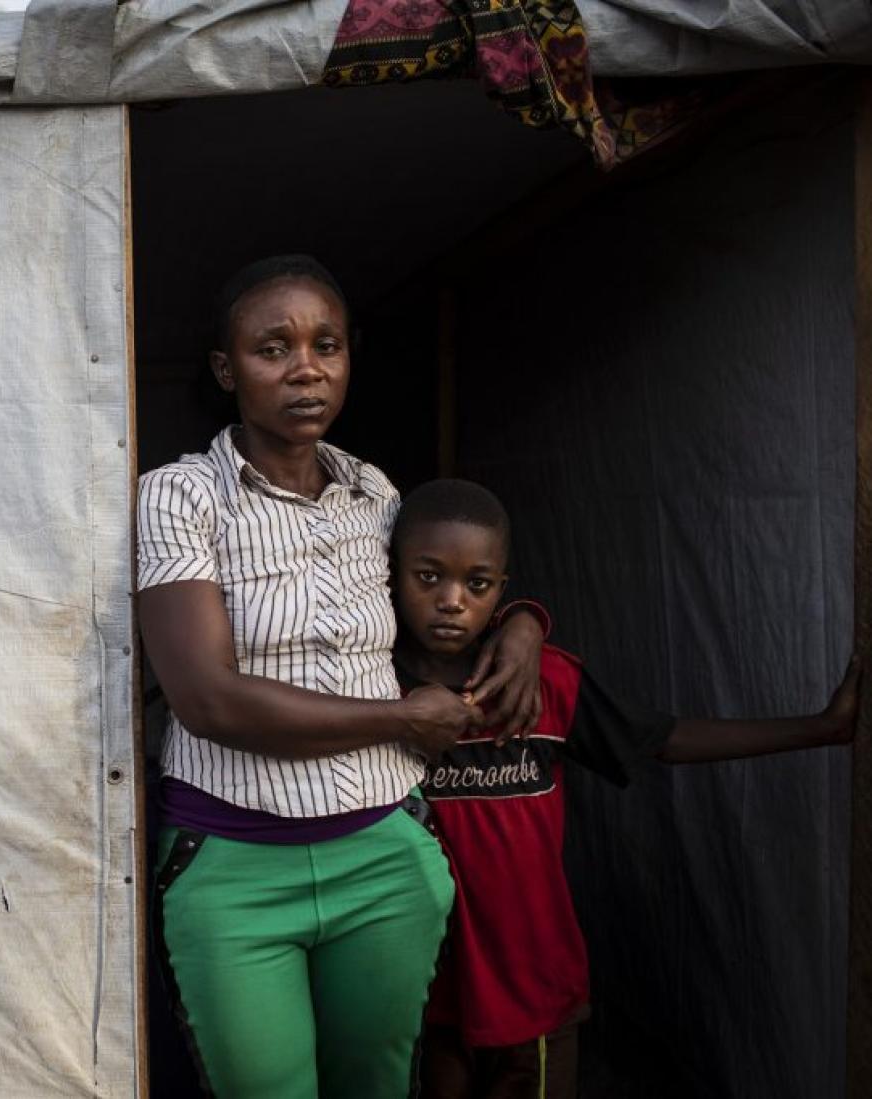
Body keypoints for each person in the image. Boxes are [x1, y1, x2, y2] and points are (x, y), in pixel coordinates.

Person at [136, 255, 549, 1099]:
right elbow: (206, 698)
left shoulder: (377, 495)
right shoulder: (181, 496)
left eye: (327, 344)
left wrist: (525, 621)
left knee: (376, 1084)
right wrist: (399, 720)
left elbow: (453, 582)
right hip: (234, 862)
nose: (306, 368)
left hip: (384, 857)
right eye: (272, 348)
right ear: (226, 370)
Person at [387, 478, 861, 1099]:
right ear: (390, 575)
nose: (452, 601)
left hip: (534, 988)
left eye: (477, 585)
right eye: (428, 578)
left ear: (501, 588)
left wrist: (819, 729)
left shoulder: (548, 684)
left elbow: (664, 737)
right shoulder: (370, 688)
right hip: (418, 989)